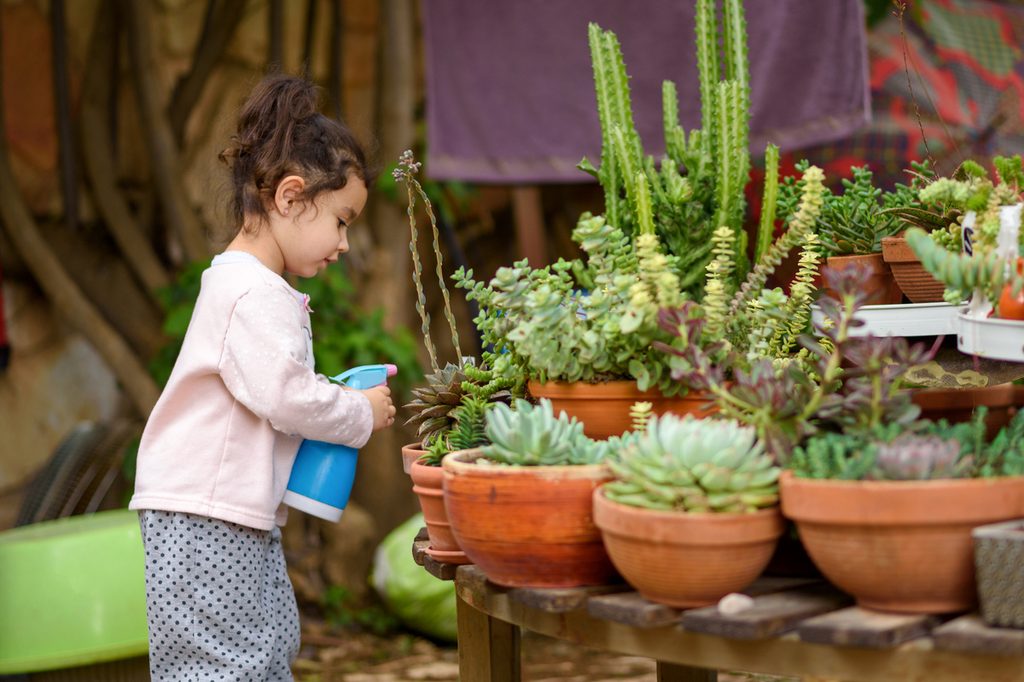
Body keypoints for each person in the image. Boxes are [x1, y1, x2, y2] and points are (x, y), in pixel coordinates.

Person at [129, 73, 396, 680]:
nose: (345, 244)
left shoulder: (251, 286)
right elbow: (285, 396)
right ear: (291, 198)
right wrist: (359, 412)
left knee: (267, 647)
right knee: (225, 664)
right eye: (342, 220)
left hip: (221, 514)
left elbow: (275, 387)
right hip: (204, 516)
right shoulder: (253, 291)